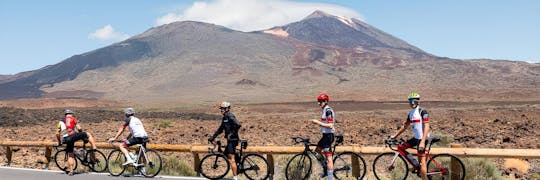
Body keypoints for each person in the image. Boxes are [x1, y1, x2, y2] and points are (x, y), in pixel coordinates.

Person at [390, 92, 430, 180]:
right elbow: (405, 126)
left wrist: (423, 141)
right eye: (410, 101)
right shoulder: (411, 113)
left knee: (422, 163)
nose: (412, 103)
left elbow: (427, 126)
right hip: (416, 138)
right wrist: (395, 136)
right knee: (401, 147)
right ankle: (415, 165)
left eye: (414, 101)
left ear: (418, 102)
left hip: (423, 139)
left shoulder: (422, 111)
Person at [55, 109, 98, 176]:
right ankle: (94, 147)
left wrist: (59, 142)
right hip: (72, 136)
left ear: (65, 115)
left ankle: (71, 170)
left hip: (66, 139)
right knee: (88, 134)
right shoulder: (73, 118)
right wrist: (82, 135)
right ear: (71, 114)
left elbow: (57, 133)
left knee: (70, 155)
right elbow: (79, 128)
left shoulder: (60, 122)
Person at [208, 101, 241, 180]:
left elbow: (238, 125)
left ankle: (235, 178)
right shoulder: (225, 117)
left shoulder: (230, 116)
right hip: (230, 140)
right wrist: (213, 137)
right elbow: (220, 129)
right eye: (221, 108)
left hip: (233, 140)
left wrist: (231, 134)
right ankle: (238, 165)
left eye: (222, 108)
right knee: (227, 154)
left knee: (231, 159)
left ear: (227, 109)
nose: (221, 110)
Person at [310, 93, 335, 180]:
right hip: (325, 136)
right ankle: (325, 169)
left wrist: (318, 122)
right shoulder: (324, 110)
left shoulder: (328, 111)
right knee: (317, 151)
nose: (319, 104)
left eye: (320, 102)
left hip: (328, 137)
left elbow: (330, 125)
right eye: (318, 102)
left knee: (329, 157)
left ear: (326, 101)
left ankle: (330, 178)